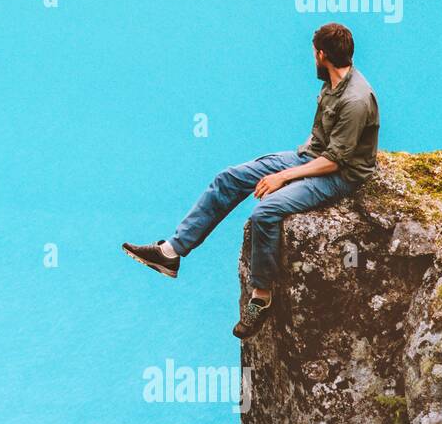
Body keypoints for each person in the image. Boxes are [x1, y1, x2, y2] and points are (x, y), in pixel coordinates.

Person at [123, 22, 379, 339]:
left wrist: (282, 177)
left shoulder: (355, 100)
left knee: (265, 212)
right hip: (311, 156)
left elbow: (336, 161)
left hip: (338, 175)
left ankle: (261, 297)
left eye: (314, 53)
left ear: (321, 55)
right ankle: (171, 252)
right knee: (229, 178)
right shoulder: (334, 81)